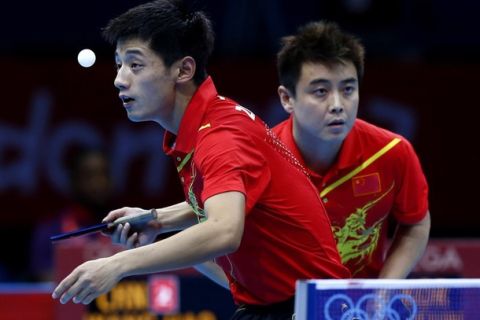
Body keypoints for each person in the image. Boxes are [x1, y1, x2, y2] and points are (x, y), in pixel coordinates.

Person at [52, 1, 351, 318]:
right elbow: (223, 201)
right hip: (270, 306)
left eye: (135, 65)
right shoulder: (204, 126)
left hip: (311, 309)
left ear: (183, 70)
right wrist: (157, 219)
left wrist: (117, 264)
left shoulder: (221, 137)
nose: (119, 79)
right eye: (118, 65)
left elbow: (224, 230)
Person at [273, 20, 431, 278]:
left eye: (348, 89)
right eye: (321, 91)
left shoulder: (392, 153)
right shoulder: (258, 157)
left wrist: (383, 290)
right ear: (287, 98)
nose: (337, 105)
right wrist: (256, 295)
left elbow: (416, 222)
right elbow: (211, 231)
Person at [30, 147, 113, 281]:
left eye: (104, 174)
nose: (98, 183)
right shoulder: (49, 230)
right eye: (89, 175)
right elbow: (45, 281)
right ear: (74, 181)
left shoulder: (126, 226)